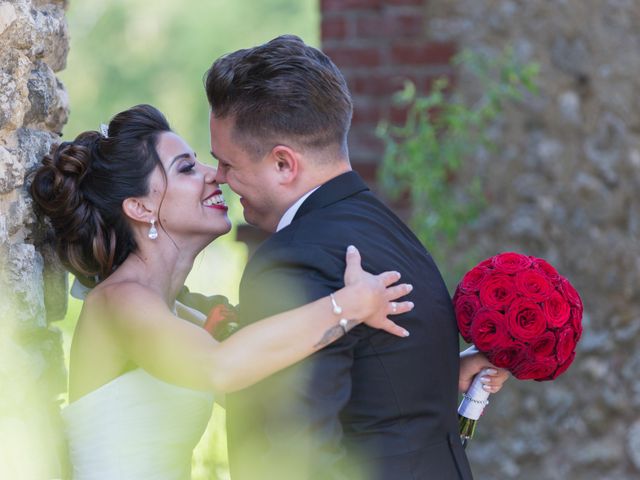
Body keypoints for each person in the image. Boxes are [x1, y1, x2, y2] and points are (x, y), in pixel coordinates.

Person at [29, 104, 417, 480]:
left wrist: (441, 370)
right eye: (186, 168)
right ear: (140, 207)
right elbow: (222, 367)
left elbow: (270, 378)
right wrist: (348, 305)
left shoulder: (175, 313)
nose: (215, 175)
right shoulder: (118, 302)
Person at [202, 35, 507, 480]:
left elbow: (296, 453)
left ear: (284, 164)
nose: (220, 178)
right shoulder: (388, 231)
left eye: (227, 164)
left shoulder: (293, 258)